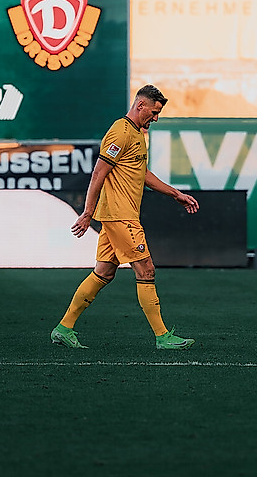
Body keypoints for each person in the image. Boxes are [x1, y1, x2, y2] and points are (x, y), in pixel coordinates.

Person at [51, 84, 199, 350]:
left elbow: (142, 174)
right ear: (140, 105)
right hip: (120, 216)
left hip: (117, 216)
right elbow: (98, 173)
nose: (155, 118)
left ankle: (64, 328)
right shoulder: (120, 132)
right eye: (153, 112)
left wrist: (175, 194)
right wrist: (87, 212)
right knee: (146, 270)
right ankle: (163, 336)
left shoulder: (137, 134)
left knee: (104, 272)